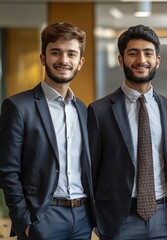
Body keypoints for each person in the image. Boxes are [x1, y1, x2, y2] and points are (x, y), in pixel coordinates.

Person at [0, 22, 94, 239]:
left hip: (81, 217)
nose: (63, 60)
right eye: (55, 52)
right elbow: (7, 171)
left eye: (71, 54)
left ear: (80, 62)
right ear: (43, 58)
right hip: (43, 217)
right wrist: (25, 222)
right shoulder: (18, 107)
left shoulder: (82, 109)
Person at [87, 24, 167, 239]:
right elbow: (90, 172)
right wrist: (96, 221)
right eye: (133, 53)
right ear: (121, 59)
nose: (141, 60)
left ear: (157, 60)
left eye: (148, 53)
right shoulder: (99, 111)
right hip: (119, 219)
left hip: (164, 216)